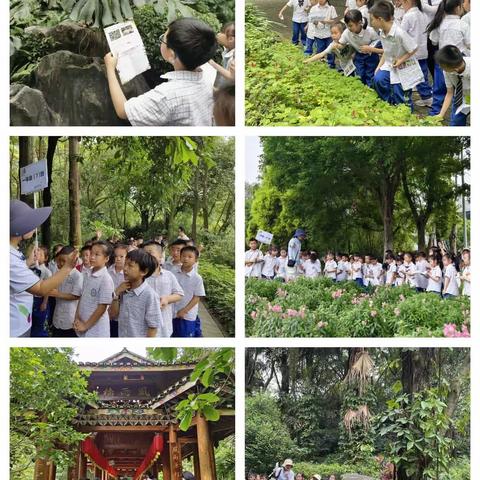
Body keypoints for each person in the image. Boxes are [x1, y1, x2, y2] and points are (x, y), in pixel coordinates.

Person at [104, 18, 218, 126]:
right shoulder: (208, 78)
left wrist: (110, 68)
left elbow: (123, 111)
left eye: (163, 38)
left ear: (172, 55)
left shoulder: (166, 95)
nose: (162, 40)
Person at [10, 200, 78, 337]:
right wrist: (67, 268)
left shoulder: (12, 252)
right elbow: (41, 289)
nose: (33, 225)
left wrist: (28, 261)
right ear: (17, 227)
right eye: (28, 221)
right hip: (15, 328)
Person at [371, 0, 418, 108]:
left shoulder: (399, 32)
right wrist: (378, 67)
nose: (372, 22)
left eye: (372, 19)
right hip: (390, 64)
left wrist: (401, 60)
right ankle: (388, 105)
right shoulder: (382, 32)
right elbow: (387, 51)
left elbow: (414, 48)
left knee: (400, 93)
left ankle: (405, 114)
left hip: (404, 66)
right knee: (378, 79)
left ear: (380, 19)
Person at [427, 0, 470, 116]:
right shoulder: (463, 24)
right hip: (459, 59)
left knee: (439, 86)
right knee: (462, 86)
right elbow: (470, 43)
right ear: (458, 8)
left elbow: (434, 41)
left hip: (442, 59)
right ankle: (461, 108)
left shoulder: (439, 23)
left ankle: (435, 112)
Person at [110, 249, 163, 337]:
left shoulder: (150, 295)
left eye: (130, 266)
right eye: (125, 264)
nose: (125, 268)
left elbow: (153, 326)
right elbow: (113, 314)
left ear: (144, 271)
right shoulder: (124, 289)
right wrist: (116, 293)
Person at [74, 241, 115, 337]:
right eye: (91, 253)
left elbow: (102, 307)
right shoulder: (86, 273)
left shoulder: (106, 279)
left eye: (97, 255)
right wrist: (76, 317)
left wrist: (85, 325)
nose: (92, 257)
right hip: (82, 324)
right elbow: (81, 297)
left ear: (106, 258)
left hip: (97, 330)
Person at [143, 241, 184, 337]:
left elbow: (179, 294)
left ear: (160, 255)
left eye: (150, 252)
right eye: (144, 254)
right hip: (144, 326)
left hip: (164, 325)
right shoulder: (140, 276)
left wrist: (167, 299)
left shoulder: (169, 275)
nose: (146, 256)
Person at [400, 0, 433, 107]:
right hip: (423, 50)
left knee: (414, 77)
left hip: (411, 53)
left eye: (402, 3)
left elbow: (401, 34)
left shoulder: (408, 16)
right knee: (422, 75)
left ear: (408, 2)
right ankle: (427, 96)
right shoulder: (423, 14)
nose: (401, 5)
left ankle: (425, 97)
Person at [172, 246, 206, 337]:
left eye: (190, 256)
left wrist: (184, 310)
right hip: (172, 312)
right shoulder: (173, 271)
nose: (186, 258)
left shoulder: (197, 278)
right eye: (184, 256)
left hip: (187, 315)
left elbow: (197, 297)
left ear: (195, 260)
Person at [50, 246, 84, 337]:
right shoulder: (58, 274)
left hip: (70, 318)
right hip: (57, 316)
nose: (61, 264)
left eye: (64, 261)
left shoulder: (78, 276)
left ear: (74, 261)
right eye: (59, 260)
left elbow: (76, 295)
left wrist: (57, 294)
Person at [434, 46, 470, 126]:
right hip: (460, 98)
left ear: (456, 69)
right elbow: (449, 93)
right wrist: (441, 115)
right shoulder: (447, 71)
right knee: (456, 123)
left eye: (442, 66)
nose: (440, 67)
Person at [306, 0, 338, 67]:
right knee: (320, 50)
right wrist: (315, 22)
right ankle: (320, 65)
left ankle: (331, 65)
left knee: (331, 51)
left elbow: (335, 21)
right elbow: (312, 21)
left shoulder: (331, 8)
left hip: (329, 34)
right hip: (318, 34)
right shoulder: (314, 8)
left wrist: (326, 21)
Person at [30, 245, 52, 337]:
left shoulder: (47, 272)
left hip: (40, 300)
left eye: (41, 254)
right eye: (36, 253)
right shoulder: (30, 267)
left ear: (46, 258)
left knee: (39, 321)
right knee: (30, 320)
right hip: (30, 299)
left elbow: (48, 289)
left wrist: (45, 302)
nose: (37, 255)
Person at [108, 243, 128, 337]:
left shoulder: (129, 274)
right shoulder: (107, 272)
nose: (118, 259)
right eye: (116, 256)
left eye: (121, 256)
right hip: (107, 314)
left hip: (123, 316)